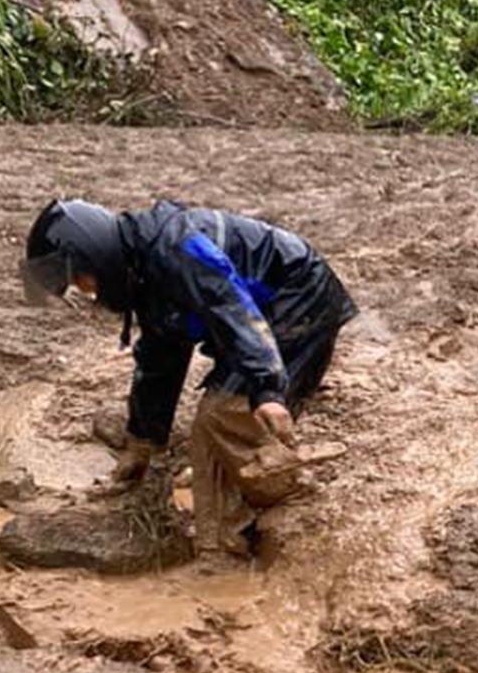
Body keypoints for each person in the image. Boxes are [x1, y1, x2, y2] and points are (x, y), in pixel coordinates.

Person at [21, 199, 357, 559]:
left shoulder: (176, 247)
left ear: (93, 254)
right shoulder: (145, 269)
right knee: (208, 431)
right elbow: (159, 360)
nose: (86, 291)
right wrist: (142, 441)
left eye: (78, 278)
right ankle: (222, 546)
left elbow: (230, 305)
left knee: (224, 412)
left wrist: (267, 388)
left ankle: (284, 488)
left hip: (301, 298)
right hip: (263, 315)